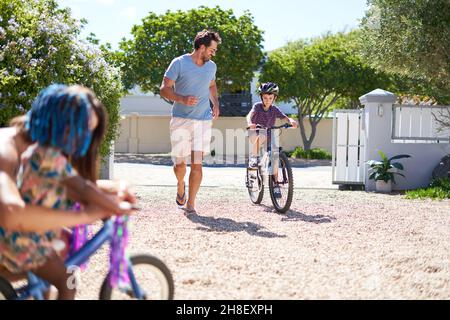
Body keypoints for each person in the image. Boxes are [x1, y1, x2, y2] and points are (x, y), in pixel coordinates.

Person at [0, 84, 135, 299]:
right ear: (59, 122)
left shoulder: (38, 151)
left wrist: (108, 189)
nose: (80, 142)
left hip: (13, 241)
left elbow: (59, 184)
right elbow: (11, 212)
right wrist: (87, 215)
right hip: (13, 243)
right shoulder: (6, 148)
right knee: (67, 280)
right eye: (79, 131)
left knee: (60, 246)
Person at [160, 29, 221, 214]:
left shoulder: (212, 67)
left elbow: (211, 84)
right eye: (212, 49)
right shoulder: (179, 63)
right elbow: (164, 89)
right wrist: (182, 99)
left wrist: (216, 103)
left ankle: (191, 204)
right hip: (181, 120)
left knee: (197, 163)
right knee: (180, 165)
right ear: (202, 47)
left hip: (202, 120)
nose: (214, 53)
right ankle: (180, 185)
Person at [246, 82, 298, 198]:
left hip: (268, 135)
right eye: (265, 98)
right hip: (255, 132)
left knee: (274, 157)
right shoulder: (257, 106)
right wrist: (250, 123)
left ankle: (275, 185)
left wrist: (291, 121)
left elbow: (284, 117)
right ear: (261, 97)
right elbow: (249, 115)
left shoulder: (274, 109)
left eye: (270, 98)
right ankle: (253, 159)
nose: (267, 100)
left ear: (274, 98)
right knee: (262, 134)